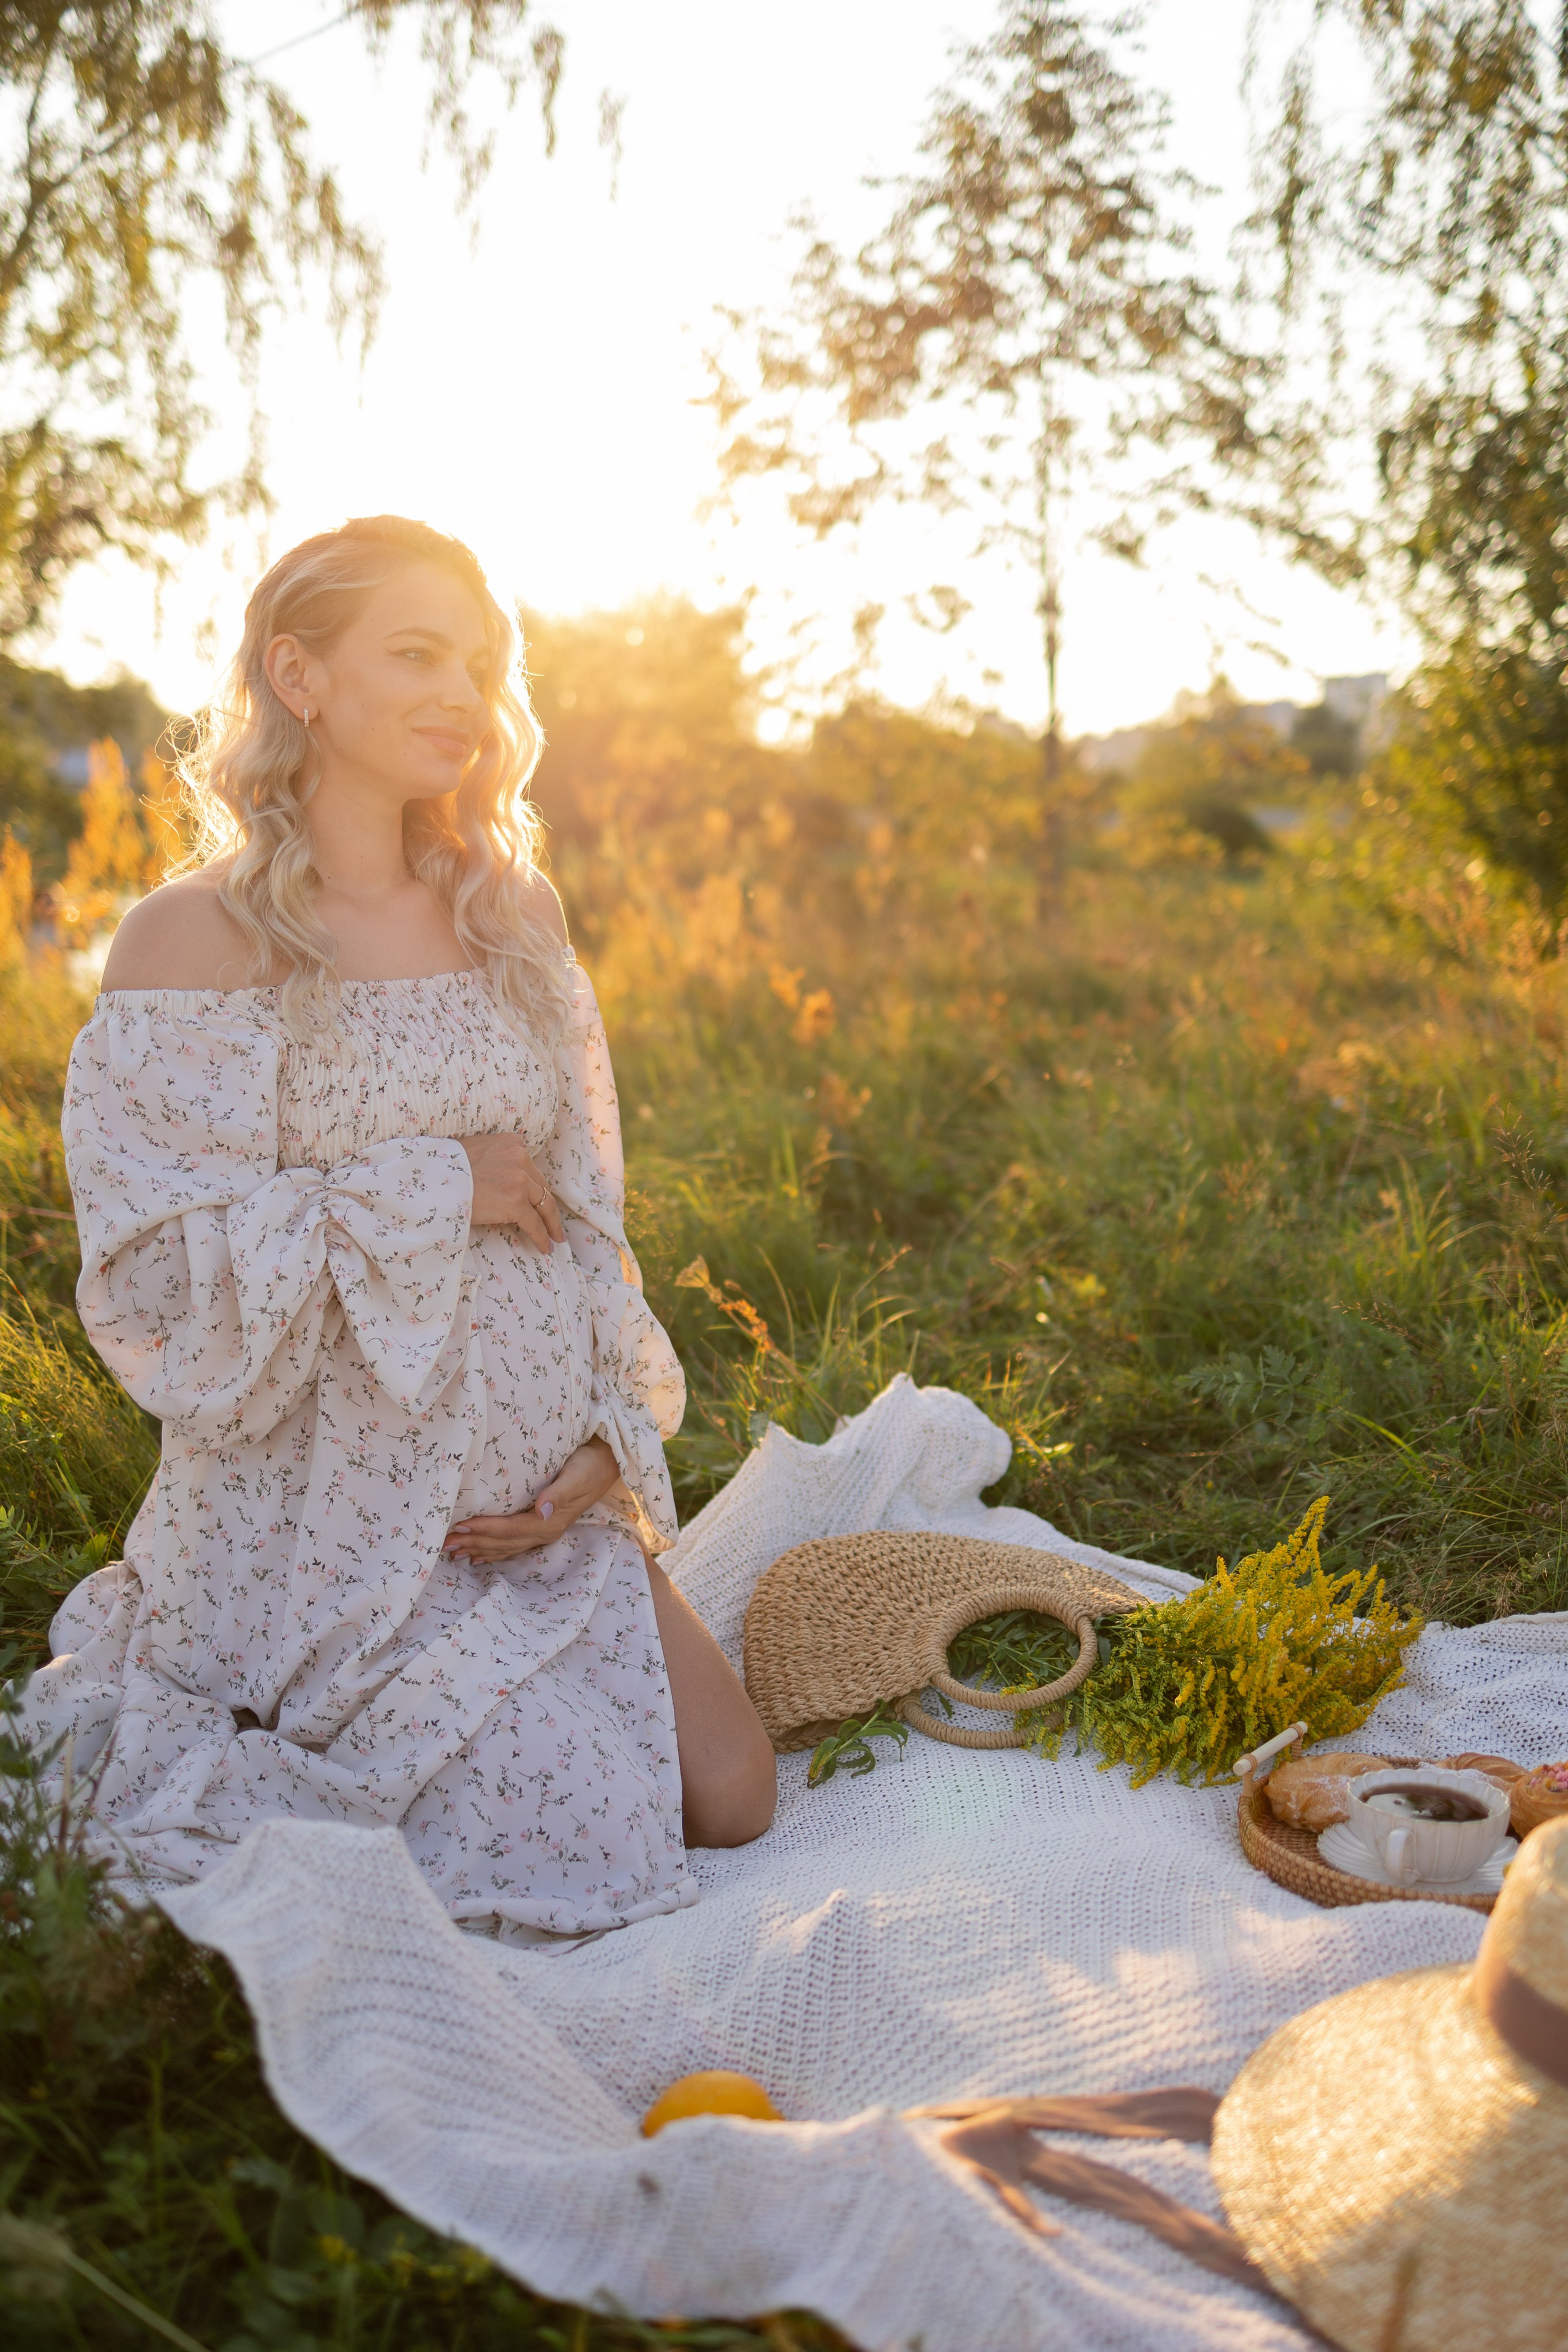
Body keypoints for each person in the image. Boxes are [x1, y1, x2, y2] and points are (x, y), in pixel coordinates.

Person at [32, 513, 775, 1940]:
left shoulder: (508, 912)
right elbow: (156, 1273)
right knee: (551, 1844)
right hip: (326, 1515)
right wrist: (436, 1181)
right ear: (299, 677)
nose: (464, 694)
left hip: (532, 1514)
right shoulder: (193, 939)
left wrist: (595, 1451)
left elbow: (583, 1215)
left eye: (483, 663)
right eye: (418, 653)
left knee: (732, 1796)